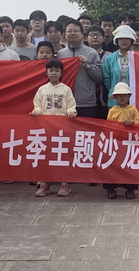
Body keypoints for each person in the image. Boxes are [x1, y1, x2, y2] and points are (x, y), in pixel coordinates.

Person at [31, 59, 77, 197]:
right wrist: (36, 111)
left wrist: (71, 112)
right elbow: (38, 105)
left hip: (62, 128)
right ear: (46, 72)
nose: (54, 73)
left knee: (62, 155)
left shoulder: (66, 89)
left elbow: (70, 105)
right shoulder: (42, 89)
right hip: (45, 127)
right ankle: (44, 184)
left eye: (57, 70)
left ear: (61, 73)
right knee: (46, 155)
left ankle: (64, 183)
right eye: (51, 70)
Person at [57, 19, 103, 119]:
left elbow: (99, 77)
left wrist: (87, 66)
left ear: (82, 34)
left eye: (76, 31)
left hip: (86, 102)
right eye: (69, 31)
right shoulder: (61, 54)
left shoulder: (92, 53)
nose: (72, 33)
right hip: (65, 101)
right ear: (65, 34)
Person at [105, 82, 139, 200]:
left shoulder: (133, 110)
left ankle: (130, 189)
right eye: (119, 95)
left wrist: (133, 123)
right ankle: (110, 189)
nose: (122, 97)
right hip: (115, 143)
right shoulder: (112, 111)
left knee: (129, 166)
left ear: (129, 96)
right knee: (112, 164)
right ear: (115, 97)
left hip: (129, 143)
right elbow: (107, 126)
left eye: (124, 95)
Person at [103, 25, 136, 109]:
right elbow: (107, 79)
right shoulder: (110, 59)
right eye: (121, 38)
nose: (124, 41)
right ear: (116, 40)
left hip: (134, 99)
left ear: (131, 40)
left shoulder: (138, 57)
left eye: (127, 38)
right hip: (115, 99)